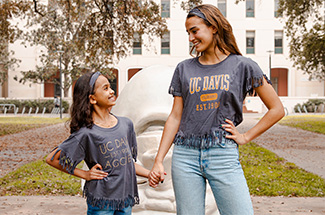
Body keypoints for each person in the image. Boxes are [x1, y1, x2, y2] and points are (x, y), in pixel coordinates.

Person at [148, 4, 285, 215]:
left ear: (213, 27)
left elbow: (276, 109)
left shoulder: (243, 66)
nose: (191, 38)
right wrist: (158, 160)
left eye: (195, 31)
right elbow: (175, 117)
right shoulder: (184, 69)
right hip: (185, 155)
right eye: (188, 33)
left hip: (222, 153)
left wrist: (246, 136)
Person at [46, 71, 150, 215]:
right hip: (101, 203)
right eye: (106, 88)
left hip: (125, 199)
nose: (112, 91)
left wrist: (149, 174)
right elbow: (52, 159)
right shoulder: (86, 133)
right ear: (93, 99)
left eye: (111, 87)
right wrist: (85, 174)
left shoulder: (126, 125)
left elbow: (126, 163)